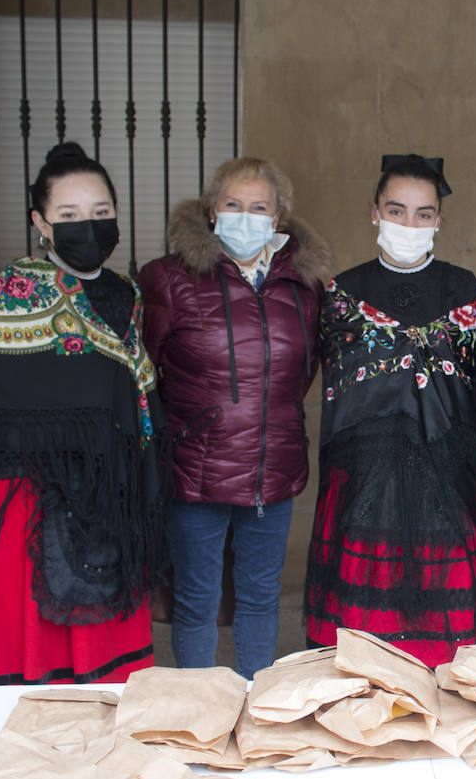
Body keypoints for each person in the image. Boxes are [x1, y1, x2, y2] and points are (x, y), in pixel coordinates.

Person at [0, 142, 166, 686]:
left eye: (101, 213)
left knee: (98, 650)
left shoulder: (127, 294)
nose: (88, 226)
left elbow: (130, 389)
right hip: (20, 499)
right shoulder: (14, 289)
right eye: (69, 216)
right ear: (41, 223)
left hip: (105, 491)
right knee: (30, 631)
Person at [138, 156, 331, 679]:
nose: (246, 217)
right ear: (211, 210)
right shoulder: (168, 279)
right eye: (233, 205)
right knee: (196, 599)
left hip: (274, 467)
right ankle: (197, 710)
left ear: (279, 218)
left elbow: (304, 370)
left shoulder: (305, 286)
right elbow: (144, 372)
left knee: (261, 597)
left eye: (259, 207)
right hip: (197, 469)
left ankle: (256, 707)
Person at [304, 155, 476, 667]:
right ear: (375, 213)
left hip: (448, 477)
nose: (410, 225)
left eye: (423, 214)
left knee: (444, 630)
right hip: (365, 478)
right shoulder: (341, 294)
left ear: (439, 221)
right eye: (397, 210)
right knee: (368, 631)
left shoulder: (464, 290)